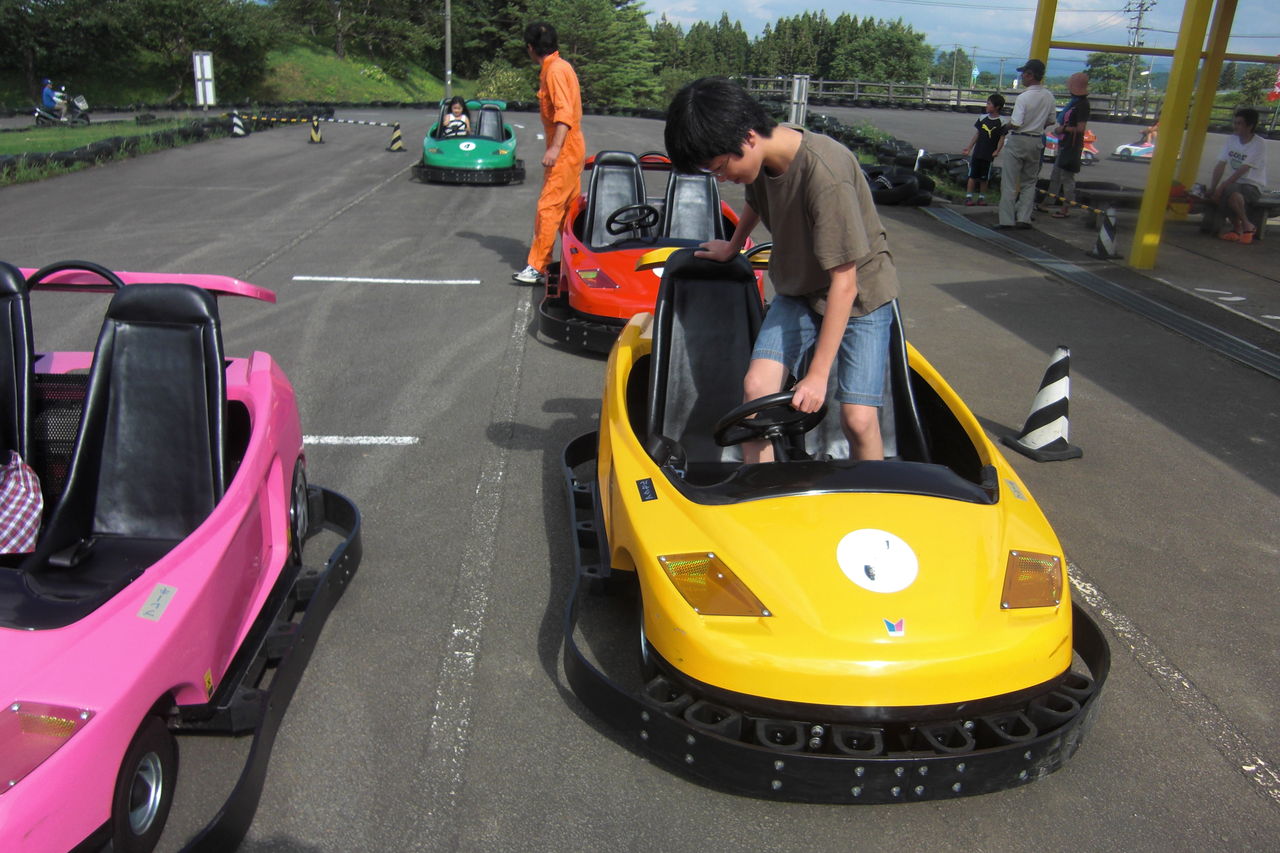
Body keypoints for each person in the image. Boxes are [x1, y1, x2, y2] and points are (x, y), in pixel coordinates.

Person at [664, 77, 900, 462]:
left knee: (857, 419)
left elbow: (845, 283)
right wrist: (734, 245)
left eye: (721, 167)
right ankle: (764, 494)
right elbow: (757, 198)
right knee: (756, 390)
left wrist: (818, 375)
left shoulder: (827, 174)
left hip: (861, 298)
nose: (722, 179)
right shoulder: (763, 161)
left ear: (749, 137)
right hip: (801, 289)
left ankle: (871, 503)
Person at [512, 22, 585, 285]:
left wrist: (554, 149)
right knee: (567, 209)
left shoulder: (554, 71)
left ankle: (539, 265)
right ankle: (574, 260)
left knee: (548, 207)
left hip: (564, 148)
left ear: (531, 48)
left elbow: (564, 113)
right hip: (571, 146)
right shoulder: (561, 66)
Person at [997, 58, 1055, 229]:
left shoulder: (1024, 97)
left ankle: (1006, 220)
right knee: (1030, 182)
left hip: (1018, 139)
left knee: (1009, 182)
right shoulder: (1049, 96)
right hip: (1036, 140)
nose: (1022, 76)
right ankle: (1024, 218)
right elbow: (1051, 120)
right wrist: (1037, 125)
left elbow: (1016, 122)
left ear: (1030, 75)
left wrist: (1004, 128)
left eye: (1024, 73)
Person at [1207, 107, 1268, 243]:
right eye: (1235, 123)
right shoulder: (1231, 140)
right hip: (1234, 185)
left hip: (1252, 184)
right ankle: (1242, 227)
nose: (1236, 126)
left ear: (1250, 126)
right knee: (1229, 195)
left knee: (1228, 192)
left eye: (1239, 123)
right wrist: (1213, 187)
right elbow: (1221, 164)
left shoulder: (1259, 143)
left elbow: (1243, 169)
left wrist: (1222, 186)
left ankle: (1242, 226)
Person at [1044, 72, 1091, 218]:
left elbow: (1081, 128)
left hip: (1072, 145)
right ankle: (1048, 202)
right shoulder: (1075, 103)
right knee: (1056, 175)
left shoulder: (1082, 105)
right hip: (1064, 143)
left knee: (1067, 178)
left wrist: (1062, 129)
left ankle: (1066, 208)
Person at [961, 93, 1006, 206]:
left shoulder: (1002, 122)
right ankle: (968, 197)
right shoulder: (982, 118)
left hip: (988, 154)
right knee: (972, 176)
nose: (987, 105)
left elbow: (1002, 138)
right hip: (978, 152)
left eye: (989, 104)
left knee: (984, 178)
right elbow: (977, 134)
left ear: (997, 107)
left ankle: (981, 198)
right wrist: (969, 147)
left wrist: (997, 151)